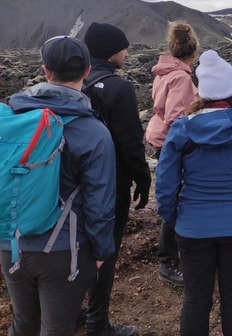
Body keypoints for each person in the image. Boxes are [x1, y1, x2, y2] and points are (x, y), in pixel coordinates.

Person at [155, 49, 232, 336]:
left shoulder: (181, 129)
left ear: (202, 90)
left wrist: (174, 217)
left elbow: (165, 185)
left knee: (196, 299)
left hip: (192, 227)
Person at [0, 36, 116, 336]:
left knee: (23, 324)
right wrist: (103, 251)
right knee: (57, 329)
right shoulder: (93, 131)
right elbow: (100, 202)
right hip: (64, 249)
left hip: (11, 241)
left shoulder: (12, 116)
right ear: (87, 71)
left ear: (45, 70)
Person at [83, 22, 152, 336]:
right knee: (105, 252)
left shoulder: (75, 82)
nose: (127, 53)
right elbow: (130, 142)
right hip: (111, 186)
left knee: (75, 247)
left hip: (72, 184)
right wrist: (143, 179)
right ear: (112, 51)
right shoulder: (119, 88)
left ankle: (71, 311)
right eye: (124, 47)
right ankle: (97, 323)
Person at [145, 20, 199, 287]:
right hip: (171, 143)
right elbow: (178, 118)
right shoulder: (182, 77)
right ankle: (168, 260)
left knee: (170, 194)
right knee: (177, 197)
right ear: (193, 54)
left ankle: (171, 255)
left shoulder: (163, 73)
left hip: (158, 139)